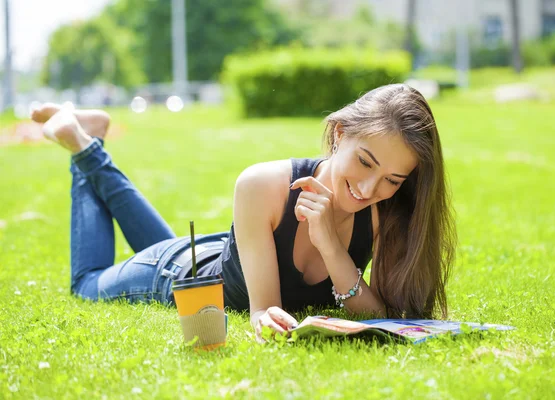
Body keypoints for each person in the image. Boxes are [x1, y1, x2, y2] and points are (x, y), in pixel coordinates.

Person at [31, 84, 456, 342]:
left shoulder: (388, 213)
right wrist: (262, 317)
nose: (369, 189)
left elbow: (380, 318)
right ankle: (83, 147)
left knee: (165, 243)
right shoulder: (262, 185)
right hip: (178, 274)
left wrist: (330, 246)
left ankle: (94, 135)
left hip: (218, 252)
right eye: (364, 162)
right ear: (339, 134)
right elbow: (262, 311)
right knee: (87, 283)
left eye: (393, 179)